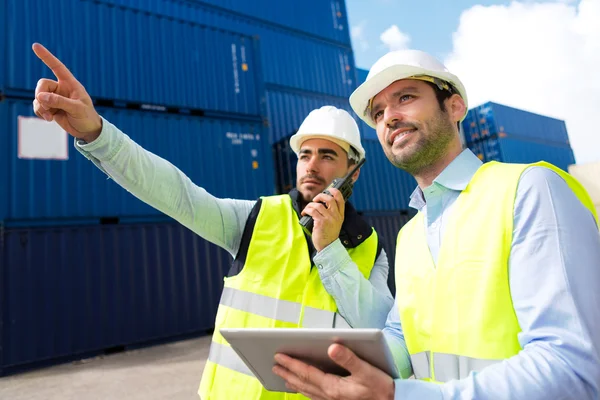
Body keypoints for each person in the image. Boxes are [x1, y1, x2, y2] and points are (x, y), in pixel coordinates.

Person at [30, 43, 395, 399]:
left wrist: (330, 250)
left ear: (353, 172)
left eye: (327, 156)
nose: (311, 166)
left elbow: (378, 328)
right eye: (304, 155)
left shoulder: (371, 247)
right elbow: (174, 192)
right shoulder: (256, 218)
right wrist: (95, 132)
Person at [272, 49, 600, 399]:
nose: (389, 118)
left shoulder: (530, 190)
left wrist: (398, 396)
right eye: (379, 113)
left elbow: (574, 367)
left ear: (455, 106)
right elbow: (402, 340)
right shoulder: (409, 235)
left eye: (406, 97)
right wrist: (341, 369)